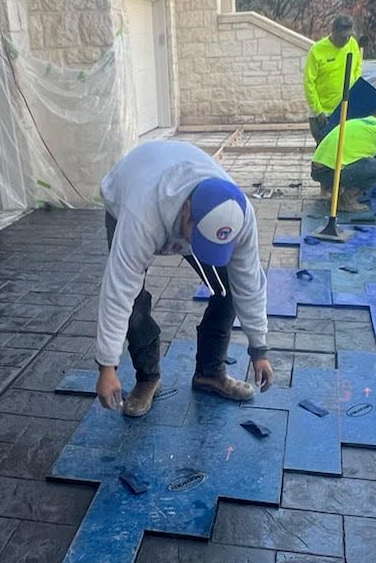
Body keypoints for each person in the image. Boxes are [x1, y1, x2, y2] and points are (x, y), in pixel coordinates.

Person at [95, 140, 274, 417]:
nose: (205, 251)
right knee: (132, 305)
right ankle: (147, 378)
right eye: (200, 239)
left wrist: (258, 349)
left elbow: (249, 282)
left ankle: (210, 373)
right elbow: (118, 291)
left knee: (229, 291)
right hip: (128, 196)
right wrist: (107, 367)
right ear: (188, 211)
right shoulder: (141, 216)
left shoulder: (240, 215)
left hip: (174, 187)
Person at [311, 103, 376, 209]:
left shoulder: (355, 122)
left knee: (359, 160)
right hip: (331, 172)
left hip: (317, 170)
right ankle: (347, 201)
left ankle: (335, 196)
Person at [304, 13, 362, 144]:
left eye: (348, 36)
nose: (346, 40)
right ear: (333, 32)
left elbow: (358, 67)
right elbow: (309, 83)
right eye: (342, 37)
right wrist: (318, 111)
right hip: (323, 113)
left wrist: (356, 91)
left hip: (346, 108)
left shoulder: (352, 44)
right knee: (324, 152)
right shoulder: (317, 50)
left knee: (345, 150)